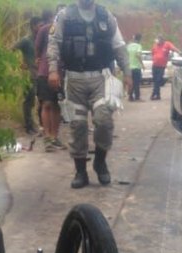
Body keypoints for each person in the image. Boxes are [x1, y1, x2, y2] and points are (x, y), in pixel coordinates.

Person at [47, 0, 132, 189]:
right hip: (74, 79)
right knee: (77, 125)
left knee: (104, 120)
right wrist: (53, 70)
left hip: (101, 78)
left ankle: (100, 162)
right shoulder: (65, 16)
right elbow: (54, 43)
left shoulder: (106, 16)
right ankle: (80, 171)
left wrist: (127, 72)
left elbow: (118, 45)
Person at [35, 9, 67, 152]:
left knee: (58, 105)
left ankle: (54, 137)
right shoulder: (45, 30)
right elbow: (37, 49)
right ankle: (47, 137)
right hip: (45, 73)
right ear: (54, 16)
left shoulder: (69, 31)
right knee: (47, 104)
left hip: (63, 73)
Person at [14, 16, 43, 135]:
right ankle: (28, 126)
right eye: (39, 26)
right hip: (29, 74)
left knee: (40, 101)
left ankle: (36, 125)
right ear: (33, 26)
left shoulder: (40, 39)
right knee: (29, 100)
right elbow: (11, 49)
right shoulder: (26, 40)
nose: (41, 28)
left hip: (39, 74)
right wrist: (19, 63)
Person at [150, 36, 180, 100]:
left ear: (162, 40)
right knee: (155, 81)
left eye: (159, 40)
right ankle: (158, 95)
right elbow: (152, 53)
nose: (158, 42)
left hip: (162, 66)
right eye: (157, 40)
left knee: (158, 80)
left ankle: (153, 94)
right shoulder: (155, 45)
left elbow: (174, 48)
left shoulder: (167, 44)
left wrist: (180, 52)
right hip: (154, 65)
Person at [126, 34, 144, 101]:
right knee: (136, 83)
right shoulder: (139, 46)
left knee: (131, 83)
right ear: (139, 39)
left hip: (129, 68)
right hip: (136, 67)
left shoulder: (129, 46)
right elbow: (138, 55)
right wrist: (142, 65)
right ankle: (137, 97)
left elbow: (126, 56)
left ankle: (130, 97)